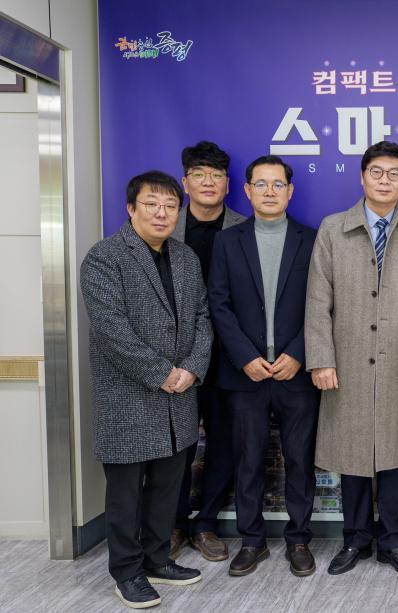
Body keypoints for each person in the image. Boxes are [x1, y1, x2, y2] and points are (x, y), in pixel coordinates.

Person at [80, 171, 212, 608]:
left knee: (166, 487)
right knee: (125, 493)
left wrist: (191, 369)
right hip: (129, 397)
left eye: (170, 206)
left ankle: (157, 560)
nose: (161, 213)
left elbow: (202, 318)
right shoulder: (105, 258)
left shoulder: (186, 258)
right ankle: (127, 571)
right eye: (152, 204)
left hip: (180, 396)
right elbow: (111, 330)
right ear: (131, 208)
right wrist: (161, 373)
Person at [305, 141, 398, 577]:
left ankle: (393, 542)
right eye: (376, 172)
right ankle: (355, 539)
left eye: (394, 174)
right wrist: (321, 359)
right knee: (353, 455)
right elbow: (317, 299)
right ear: (362, 177)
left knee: (396, 455)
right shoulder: (333, 228)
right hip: (346, 361)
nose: (384, 180)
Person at [208, 155, 320, 577]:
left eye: (277, 184)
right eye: (261, 184)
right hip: (245, 375)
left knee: (300, 461)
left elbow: (324, 303)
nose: (269, 191)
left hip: (297, 372)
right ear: (247, 191)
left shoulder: (312, 240)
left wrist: (299, 352)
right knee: (248, 460)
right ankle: (252, 540)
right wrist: (244, 357)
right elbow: (218, 304)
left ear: (290, 191)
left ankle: (299, 539)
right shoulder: (227, 242)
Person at [169, 141, 246, 563]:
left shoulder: (244, 228)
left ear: (228, 184)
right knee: (176, 443)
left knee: (224, 443)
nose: (208, 182)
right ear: (185, 183)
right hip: (176, 360)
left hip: (228, 356)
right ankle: (174, 523)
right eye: (199, 175)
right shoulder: (164, 227)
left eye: (216, 176)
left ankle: (206, 524)